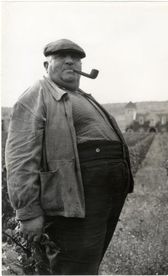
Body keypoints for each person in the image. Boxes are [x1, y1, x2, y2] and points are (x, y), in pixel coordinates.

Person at [5, 38, 134, 275]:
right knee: (74, 267)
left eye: (75, 58)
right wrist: (28, 212)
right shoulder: (37, 95)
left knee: (88, 263)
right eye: (61, 57)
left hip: (105, 195)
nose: (70, 61)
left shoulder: (81, 95)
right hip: (75, 198)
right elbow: (20, 157)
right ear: (46, 66)